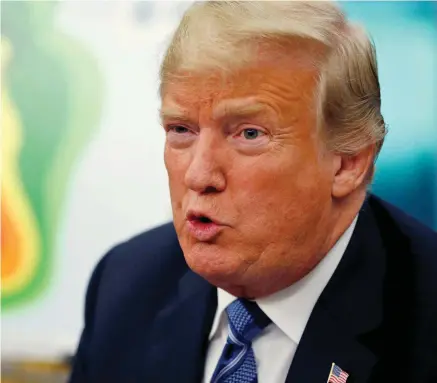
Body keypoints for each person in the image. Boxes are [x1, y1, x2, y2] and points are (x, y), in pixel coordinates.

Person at [68, 1, 437, 382]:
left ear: (348, 163)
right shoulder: (127, 284)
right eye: (181, 130)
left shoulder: (424, 316)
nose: (199, 175)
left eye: (248, 134)